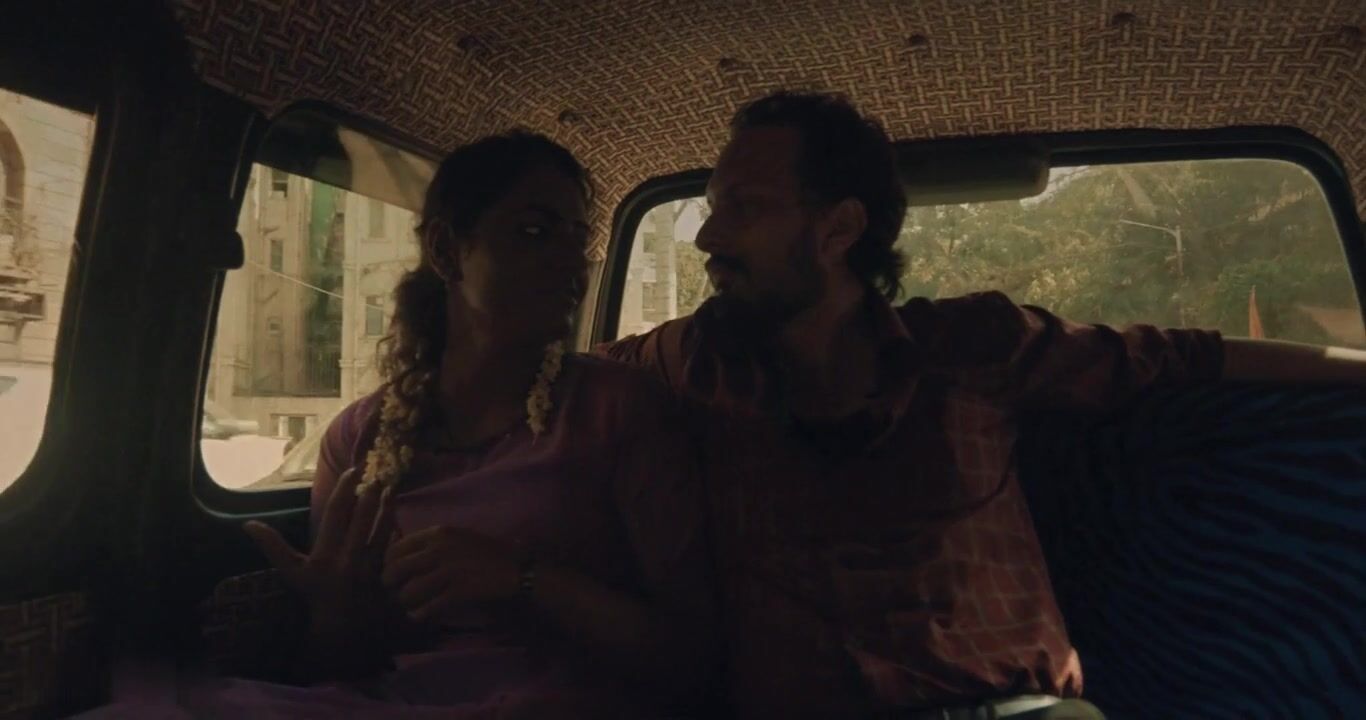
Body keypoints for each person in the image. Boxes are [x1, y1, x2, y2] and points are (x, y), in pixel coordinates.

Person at [598, 91, 1366, 719]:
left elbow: (1188, 357)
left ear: (838, 229)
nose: (707, 237)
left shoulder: (975, 344)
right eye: (712, 206)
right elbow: (556, 377)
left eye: (742, 207)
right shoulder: (692, 361)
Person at [85, 132, 718, 719]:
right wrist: (334, 611)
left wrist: (524, 578)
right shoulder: (358, 439)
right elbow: (337, 668)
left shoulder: (618, 406)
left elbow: (694, 656)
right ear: (446, 250)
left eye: (577, 240)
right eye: (534, 231)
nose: (570, 262)